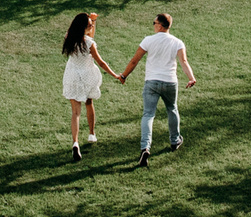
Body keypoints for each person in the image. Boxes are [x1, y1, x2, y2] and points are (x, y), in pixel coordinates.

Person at [116, 11, 196, 168]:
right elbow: (184, 62)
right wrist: (191, 78)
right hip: (170, 82)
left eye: (154, 23)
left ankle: (145, 147)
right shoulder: (177, 42)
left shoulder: (148, 40)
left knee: (148, 115)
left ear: (160, 26)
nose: (153, 26)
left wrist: (124, 76)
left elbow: (134, 60)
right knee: (172, 109)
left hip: (151, 82)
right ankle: (175, 140)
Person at [59, 11, 116, 163]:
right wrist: (115, 75)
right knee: (89, 103)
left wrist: (93, 20)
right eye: (90, 25)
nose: (91, 26)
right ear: (84, 27)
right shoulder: (89, 44)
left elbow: (89, 35)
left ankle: (75, 142)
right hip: (87, 76)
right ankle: (91, 133)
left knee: (75, 112)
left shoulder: (69, 37)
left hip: (72, 76)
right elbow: (101, 62)